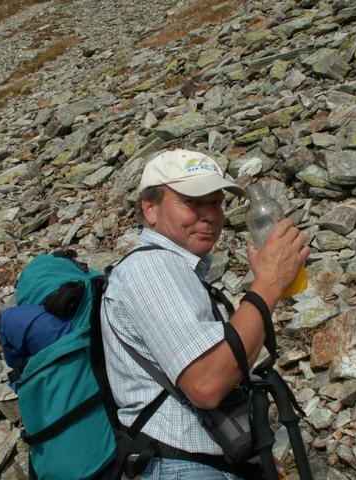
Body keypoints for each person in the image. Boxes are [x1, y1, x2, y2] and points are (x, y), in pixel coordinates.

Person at [101, 149, 310, 479]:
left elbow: (220, 374)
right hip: (180, 467)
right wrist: (268, 284)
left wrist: (244, 453)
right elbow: (207, 384)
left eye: (216, 203)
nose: (210, 215)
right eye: (192, 202)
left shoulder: (179, 271)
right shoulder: (149, 268)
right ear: (150, 208)